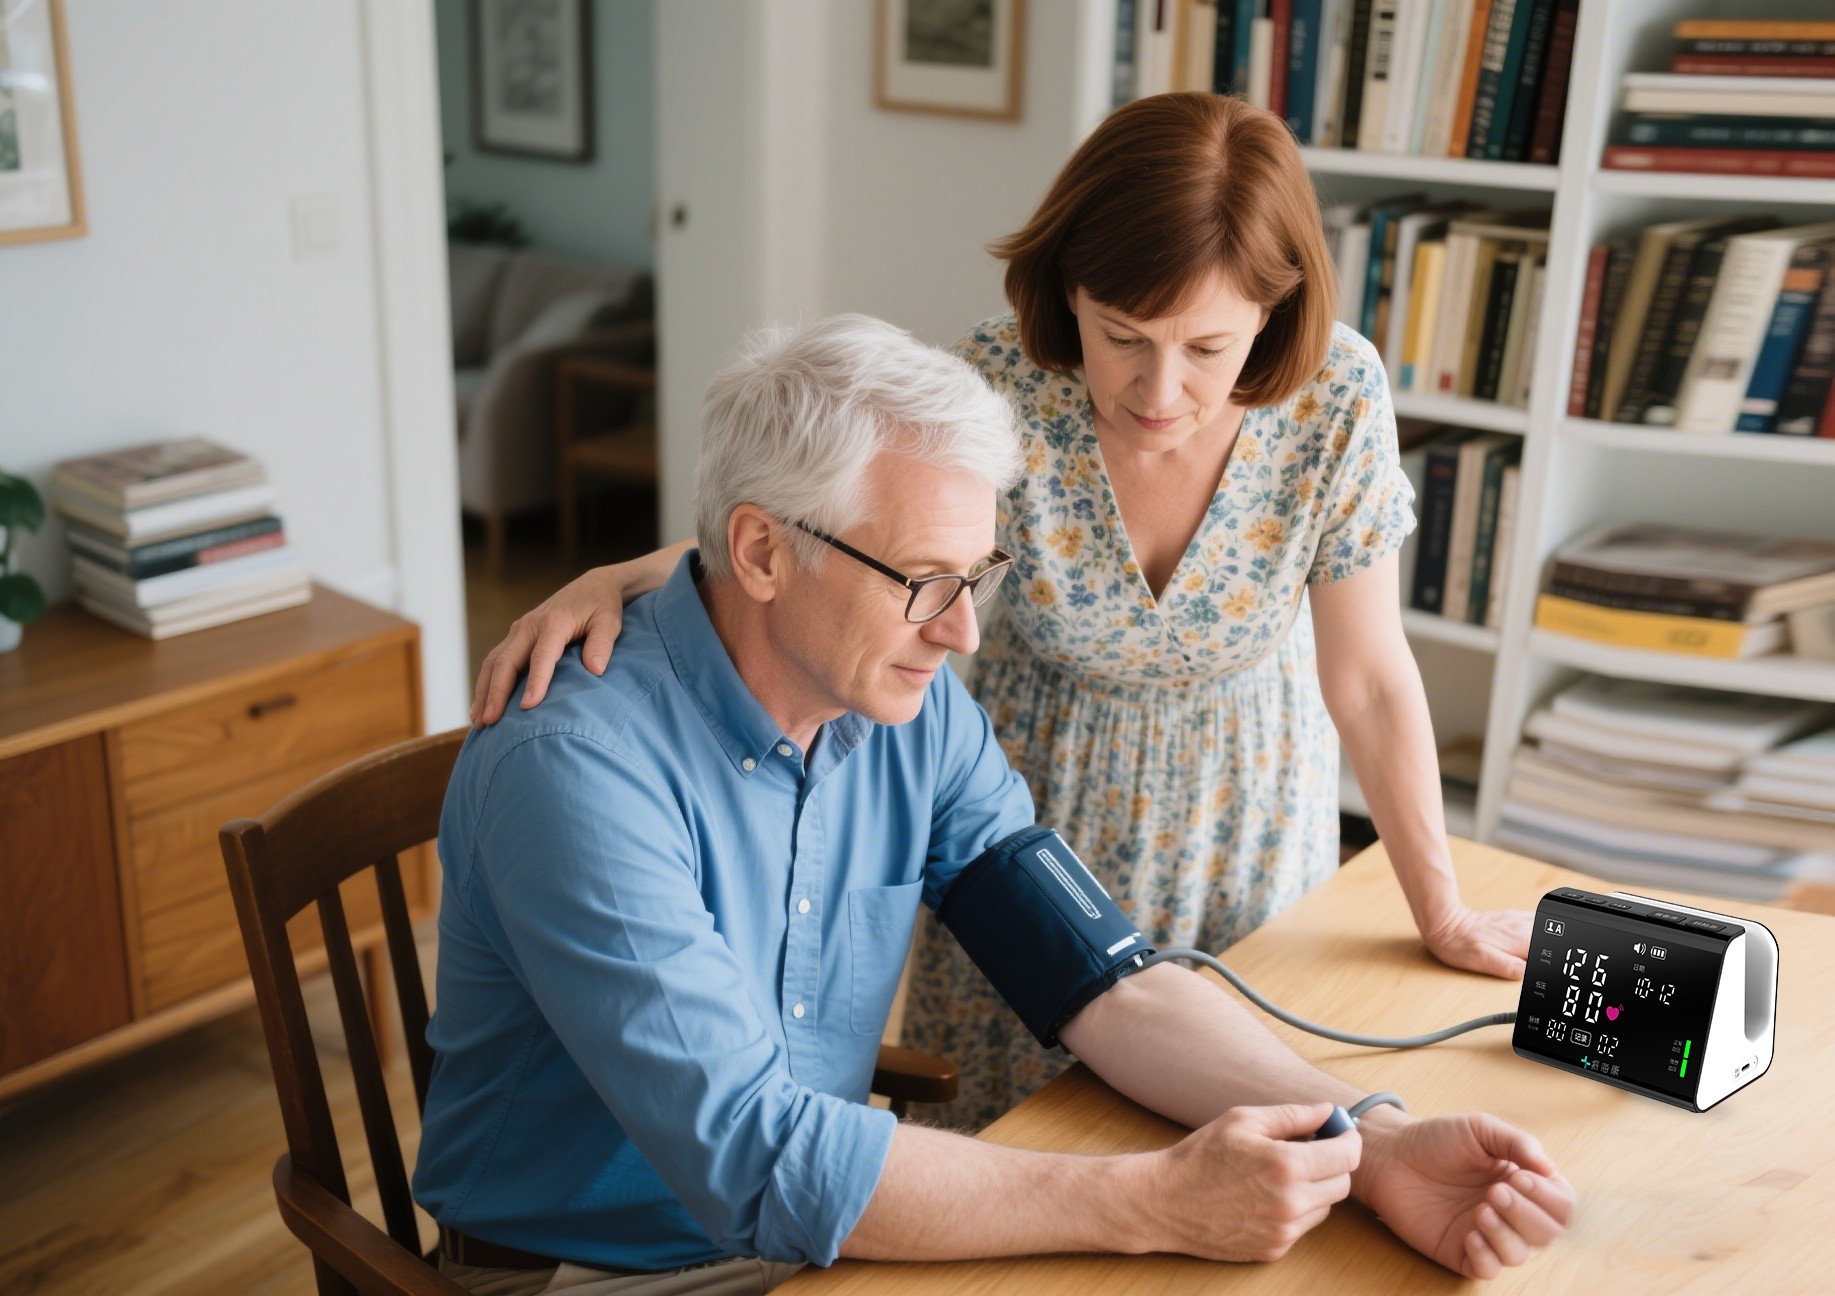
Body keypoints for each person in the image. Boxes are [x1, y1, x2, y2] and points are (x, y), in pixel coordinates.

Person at [418, 314, 1572, 1294]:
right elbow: (759, 1158)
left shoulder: (902, 707)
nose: (963, 631)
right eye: (925, 581)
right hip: (596, 1271)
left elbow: (1100, 980)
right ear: (761, 551)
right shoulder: (572, 772)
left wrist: (1369, 1140)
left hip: (813, 1232)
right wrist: (1155, 1201)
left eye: (977, 578)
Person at [468, 93, 1534, 1128]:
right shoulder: (1004, 386)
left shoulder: (1334, 395)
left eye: (1207, 349)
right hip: (1027, 806)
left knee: (1246, 1097)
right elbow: (829, 526)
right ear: (1068, 292)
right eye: (1123, 336)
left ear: (1272, 313)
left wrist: (1435, 912)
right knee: (1027, 1125)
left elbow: (1370, 676)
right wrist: (620, 575)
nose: (1160, 389)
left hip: (1242, 826)